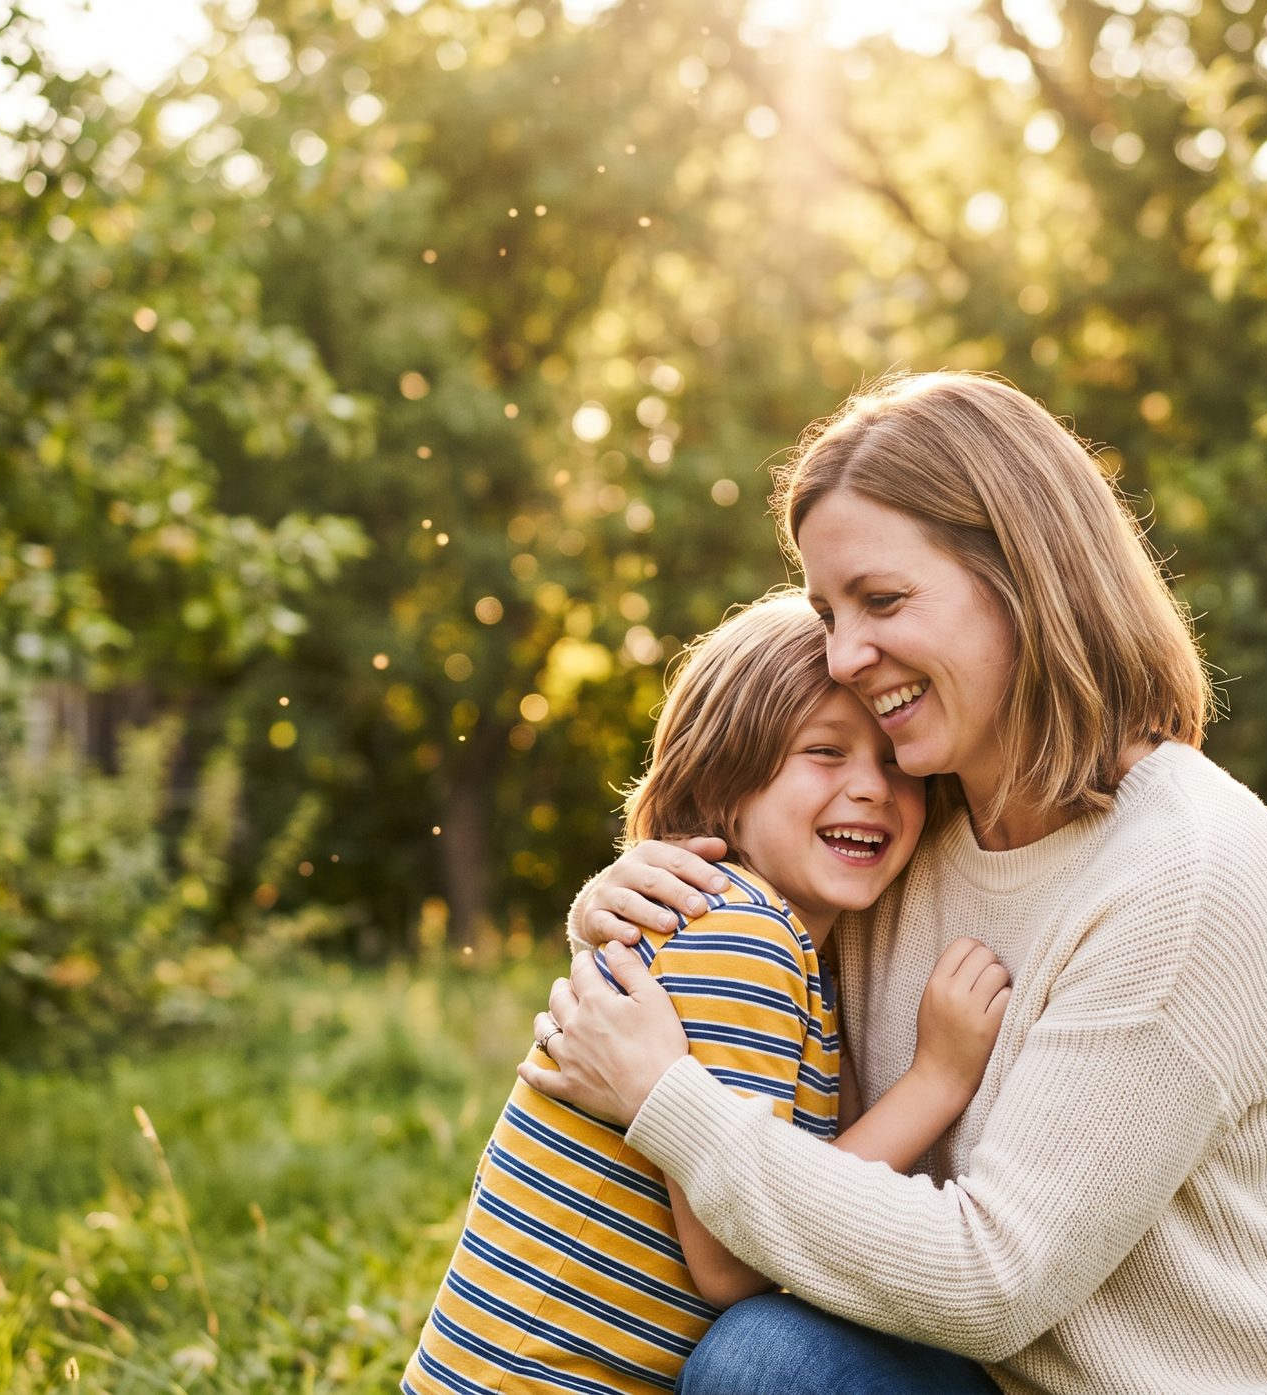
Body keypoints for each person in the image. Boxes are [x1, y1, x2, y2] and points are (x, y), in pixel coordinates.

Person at [533, 373, 1267, 1394]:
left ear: (1023, 576)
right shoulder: (902, 824)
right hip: (990, 1377)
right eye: (828, 611)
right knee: (774, 1363)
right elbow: (741, 982)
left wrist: (663, 1096)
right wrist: (626, 913)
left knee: (765, 1366)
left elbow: (996, 1279)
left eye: (882, 600)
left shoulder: (1183, 865)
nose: (845, 653)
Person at [403, 593, 1015, 1395]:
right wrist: (936, 1081)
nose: (871, 786)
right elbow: (734, 1259)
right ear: (726, 778)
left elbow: (784, 1175)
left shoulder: (782, 944)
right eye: (825, 751)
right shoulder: (740, 936)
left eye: (896, 763)